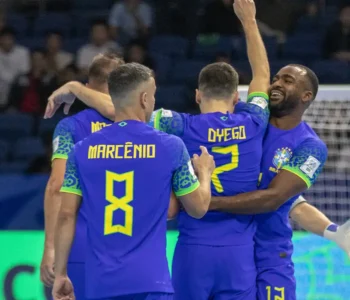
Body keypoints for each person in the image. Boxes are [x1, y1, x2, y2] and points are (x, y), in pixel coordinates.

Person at [48, 1, 270, 298]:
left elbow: (119, 109)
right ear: (236, 96)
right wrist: (249, 21)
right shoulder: (254, 121)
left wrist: (75, 88)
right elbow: (262, 76)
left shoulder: (177, 125)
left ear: (197, 95)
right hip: (238, 253)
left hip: (188, 251)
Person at [52, 63, 215, 300]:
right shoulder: (170, 146)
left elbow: (66, 215)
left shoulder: (81, 151)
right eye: (154, 95)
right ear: (145, 98)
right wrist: (205, 173)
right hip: (151, 282)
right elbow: (198, 208)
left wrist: (61, 274)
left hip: (101, 285)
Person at [208, 64, 328, 300]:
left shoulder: (310, 146)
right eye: (275, 78)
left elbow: (275, 198)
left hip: (270, 252)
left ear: (306, 96)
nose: (277, 83)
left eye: (288, 80)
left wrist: (207, 203)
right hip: (224, 244)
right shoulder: (245, 118)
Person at [40, 53, 124, 300]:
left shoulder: (70, 127)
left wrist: (51, 248)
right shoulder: (144, 124)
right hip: (133, 243)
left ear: (88, 89)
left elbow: (57, 186)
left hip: (83, 244)